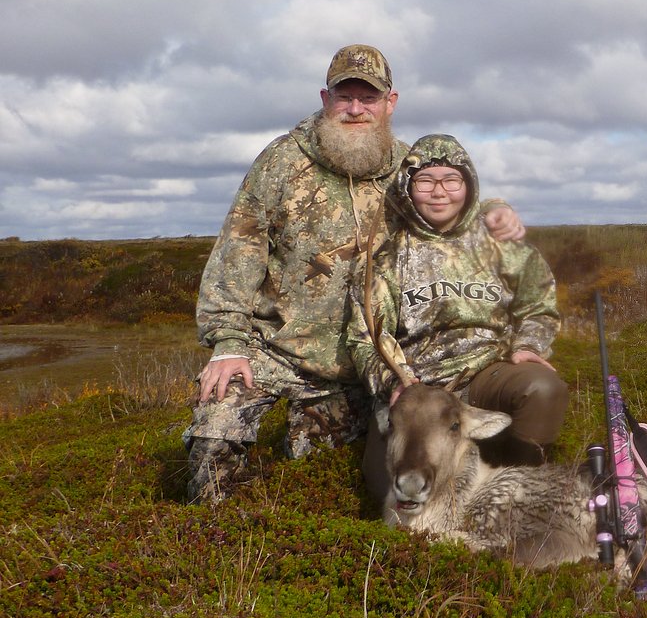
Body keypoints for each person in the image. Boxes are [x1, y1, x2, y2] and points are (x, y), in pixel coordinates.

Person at [183, 45, 524, 504]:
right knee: (214, 433)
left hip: (366, 368)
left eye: (370, 97)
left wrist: (497, 213)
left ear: (391, 102)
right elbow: (238, 250)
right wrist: (227, 343)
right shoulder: (281, 161)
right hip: (276, 349)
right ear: (326, 99)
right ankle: (214, 544)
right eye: (346, 97)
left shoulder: (410, 169)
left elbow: (454, 208)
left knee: (325, 483)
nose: (357, 109)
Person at [346, 133, 569, 502]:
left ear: (468, 186)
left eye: (451, 180)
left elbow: (537, 302)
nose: (439, 192)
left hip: (485, 370)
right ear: (408, 186)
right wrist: (393, 382)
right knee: (386, 489)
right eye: (426, 181)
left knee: (542, 389)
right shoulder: (386, 260)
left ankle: (518, 491)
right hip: (416, 387)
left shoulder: (500, 246)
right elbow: (365, 338)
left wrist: (529, 344)